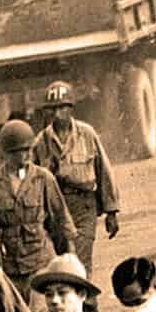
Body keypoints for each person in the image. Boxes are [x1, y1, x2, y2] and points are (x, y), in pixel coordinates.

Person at [0, 119, 75, 306]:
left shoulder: (42, 178)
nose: (24, 156)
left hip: (42, 262)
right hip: (11, 267)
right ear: (5, 153)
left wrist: (69, 256)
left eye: (27, 150)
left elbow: (61, 218)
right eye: (17, 152)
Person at [32, 81, 120, 277]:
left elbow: (103, 170)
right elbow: (34, 182)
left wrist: (111, 211)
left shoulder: (86, 134)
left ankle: (88, 305)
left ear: (71, 107)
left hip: (84, 206)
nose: (56, 114)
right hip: (57, 209)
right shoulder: (41, 142)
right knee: (65, 262)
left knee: (81, 261)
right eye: (52, 109)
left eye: (62, 107)